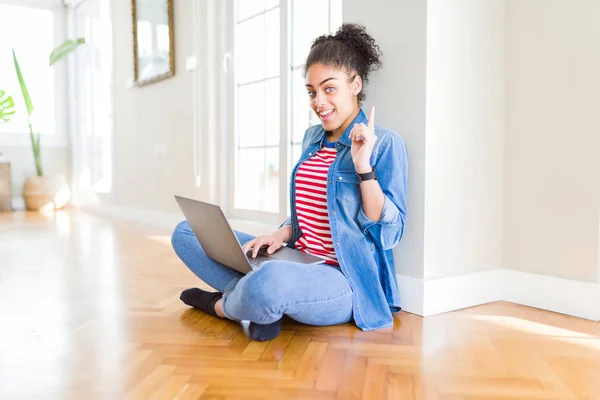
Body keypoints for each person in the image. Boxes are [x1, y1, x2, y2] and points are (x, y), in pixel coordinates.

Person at [171, 23, 408, 341]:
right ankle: (260, 305)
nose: (318, 102)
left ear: (355, 84)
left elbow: (389, 234)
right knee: (186, 233)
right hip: (296, 255)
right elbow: (314, 210)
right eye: (312, 92)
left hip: (343, 280)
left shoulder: (386, 143)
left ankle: (222, 306)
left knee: (270, 279)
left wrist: (363, 166)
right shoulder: (313, 138)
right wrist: (281, 233)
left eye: (329, 88)